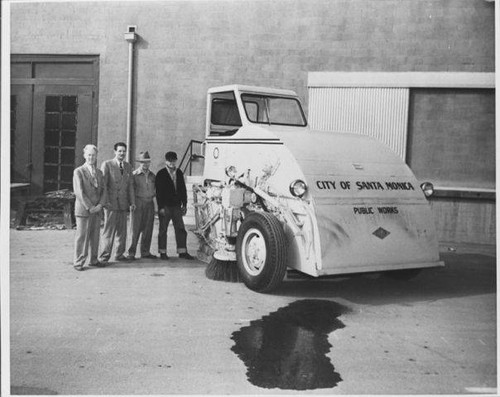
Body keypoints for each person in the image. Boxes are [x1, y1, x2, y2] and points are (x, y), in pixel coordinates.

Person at [98, 142, 136, 263]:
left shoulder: (128, 166)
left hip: (123, 204)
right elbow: (103, 185)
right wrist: (105, 202)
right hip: (111, 204)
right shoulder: (107, 164)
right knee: (108, 232)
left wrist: (132, 202)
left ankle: (119, 254)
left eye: (124, 151)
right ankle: (104, 256)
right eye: (119, 151)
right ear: (115, 152)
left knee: (122, 231)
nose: (122, 153)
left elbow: (130, 186)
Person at [72, 144, 107, 271]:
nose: (91, 157)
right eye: (89, 155)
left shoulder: (99, 172)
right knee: (82, 236)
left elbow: (104, 190)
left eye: (93, 155)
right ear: (84, 156)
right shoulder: (78, 171)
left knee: (95, 236)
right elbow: (79, 192)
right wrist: (90, 207)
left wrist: (100, 205)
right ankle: (78, 262)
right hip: (84, 210)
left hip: (97, 210)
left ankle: (93, 259)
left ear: (96, 156)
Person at [155, 151, 194, 260]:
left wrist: (185, 204)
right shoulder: (161, 174)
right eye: (169, 160)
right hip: (166, 206)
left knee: (181, 228)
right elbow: (158, 192)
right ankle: (162, 252)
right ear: (166, 161)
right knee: (163, 230)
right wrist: (160, 207)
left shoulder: (179, 173)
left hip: (177, 206)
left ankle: (182, 251)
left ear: (176, 160)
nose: (172, 163)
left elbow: (183, 190)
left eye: (174, 160)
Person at [126, 151, 157, 260]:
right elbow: (131, 191)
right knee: (135, 229)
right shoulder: (134, 175)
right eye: (143, 162)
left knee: (148, 229)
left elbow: (155, 191)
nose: (145, 164)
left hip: (149, 203)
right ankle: (131, 253)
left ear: (149, 163)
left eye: (147, 162)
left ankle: (145, 252)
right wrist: (132, 203)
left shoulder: (153, 175)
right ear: (140, 163)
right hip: (138, 203)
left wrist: (156, 206)